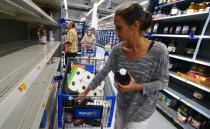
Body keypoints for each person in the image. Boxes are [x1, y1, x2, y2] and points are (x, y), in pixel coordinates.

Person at [78, 1, 169, 129]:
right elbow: (103, 72)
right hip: (121, 109)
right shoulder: (117, 50)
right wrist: (85, 92)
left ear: (135, 25)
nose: (115, 32)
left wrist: (136, 87)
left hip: (140, 115)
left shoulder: (159, 51)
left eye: (119, 28)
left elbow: (163, 82)